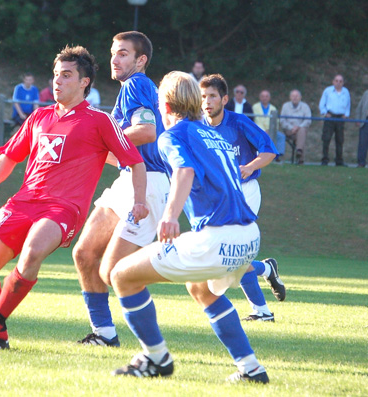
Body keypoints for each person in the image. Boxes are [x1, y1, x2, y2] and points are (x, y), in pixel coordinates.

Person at [0, 45, 148, 350]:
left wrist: (140, 200)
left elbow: (136, 161)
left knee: (33, 252)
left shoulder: (99, 120)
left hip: (63, 207)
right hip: (23, 202)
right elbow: (9, 156)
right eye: (55, 75)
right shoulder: (38, 117)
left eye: (66, 75)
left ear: (84, 82)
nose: (57, 81)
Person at [110, 71, 269, 383]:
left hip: (217, 238)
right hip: (249, 236)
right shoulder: (214, 134)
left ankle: (156, 359)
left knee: (122, 276)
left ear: (165, 106)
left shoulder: (172, 136)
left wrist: (169, 215)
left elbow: (184, 170)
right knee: (201, 288)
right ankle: (251, 368)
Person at [73, 31, 170, 347]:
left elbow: (145, 131)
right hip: (128, 180)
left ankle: (185, 265)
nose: (115, 59)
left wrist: (102, 140)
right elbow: (120, 151)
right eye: (114, 52)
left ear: (140, 60)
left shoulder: (137, 84)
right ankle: (104, 334)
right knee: (86, 254)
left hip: (149, 182)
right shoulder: (130, 90)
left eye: (124, 53)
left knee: (114, 271)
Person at [200, 74, 285, 322]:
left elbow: (269, 150)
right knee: (225, 257)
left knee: (235, 255)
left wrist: (249, 166)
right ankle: (266, 269)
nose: (207, 101)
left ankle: (263, 311)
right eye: (203, 96)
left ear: (225, 99)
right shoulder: (198, 127)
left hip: (245, 192)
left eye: (213, 96)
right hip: (218, 196)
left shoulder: (238, 122)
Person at [318, 74, 350, 166]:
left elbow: (348, 104)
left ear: (343, 83)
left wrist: (346, 115)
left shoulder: (346, 92)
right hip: (330, 117)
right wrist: (325, 113)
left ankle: (339, 161)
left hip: (340, 118)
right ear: (333, 82)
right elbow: (322, 104)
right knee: (326, 139)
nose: (338, 83)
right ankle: (325, 160)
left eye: (340, 81)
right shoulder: (328, 91)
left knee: (340, 140)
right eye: (336, 81)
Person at [280, 89, 312, 165]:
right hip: (289, 130)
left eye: (297, 96)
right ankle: (300, 157)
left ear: (300, 97)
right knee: (302, 135)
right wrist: (291, 127)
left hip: (301, 129)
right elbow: (282, 120)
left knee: (301, 131)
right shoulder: (285, 106)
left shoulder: (305, 107)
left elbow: (308, 120)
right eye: (293, 96)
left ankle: (299, 151)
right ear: (290, 97)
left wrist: (298, 127)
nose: (295, 98)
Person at [355, 88, 368, 167]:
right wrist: (358, 119)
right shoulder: (366, 93)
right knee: (363, 143)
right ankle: (361, 162)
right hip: (365, 121)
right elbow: (359, 107)